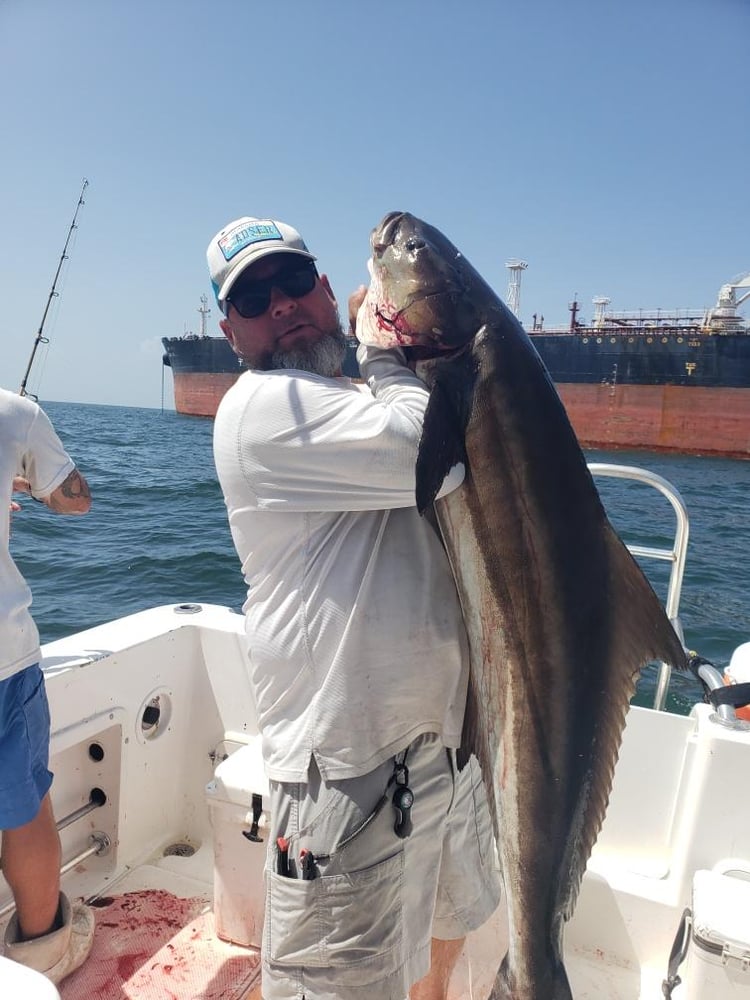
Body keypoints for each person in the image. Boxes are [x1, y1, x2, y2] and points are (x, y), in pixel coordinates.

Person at [209, 217, 502, 1000]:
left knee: (446, 930)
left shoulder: (356, 398)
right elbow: (428, 460)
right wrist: (382, 348)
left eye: (294, 282)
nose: (281, 305)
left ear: (329, 288)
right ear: (230, 329)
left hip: (443, 740)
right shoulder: (260, 409)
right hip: (347, 775)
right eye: (253, 297)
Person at [0, 388, 95, 984]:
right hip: (4, 662)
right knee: (25, 810)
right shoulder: (15, 413)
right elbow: (75, 500)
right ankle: (40, 952)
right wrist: (30, 480)